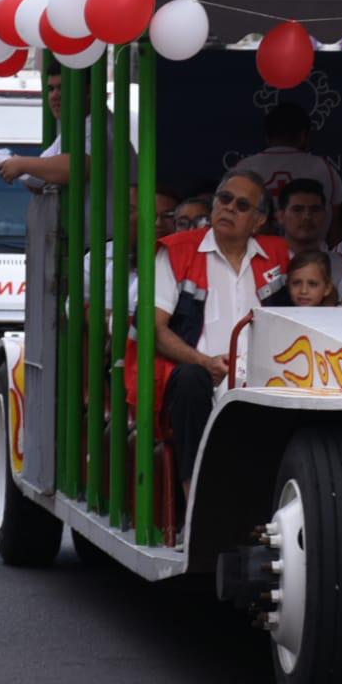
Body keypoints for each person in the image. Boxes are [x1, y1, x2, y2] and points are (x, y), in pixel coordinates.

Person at [131, 168, 291, 495]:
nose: (229, 208)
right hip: (194, 375)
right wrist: (205, 363)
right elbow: (155, 330)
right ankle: (196, 502)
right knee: (192, 380)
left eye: (242, 205)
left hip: (260, 376)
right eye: (224, 199)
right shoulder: (175, 251)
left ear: (259, 221)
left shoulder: (277, 254)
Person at [0, 59, 135, 240]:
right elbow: (39, 179)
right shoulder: (75, 126)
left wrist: (22, 164)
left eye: (62, 88)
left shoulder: (97, 126)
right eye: (51, 89)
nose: (55, 96)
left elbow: (76, 167)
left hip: (99, 249)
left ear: (88, 91)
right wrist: (22, 167)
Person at [234, 101, 342, 213]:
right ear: (304, 136)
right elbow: (337, 220)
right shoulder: (323, 168)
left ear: (267, 136)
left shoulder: (243, 168)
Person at [276, 178, 342, 282]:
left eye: (315, 210)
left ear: (325, 215)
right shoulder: (264, 266)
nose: (307, 216)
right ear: (280, 216)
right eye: (298, 210)